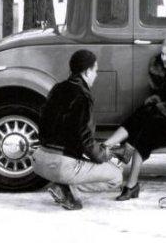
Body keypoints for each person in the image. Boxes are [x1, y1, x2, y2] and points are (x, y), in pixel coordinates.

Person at [104, 36, 166, 201]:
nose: (164, 58)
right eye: (163, 54)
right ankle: (108, 145)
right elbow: (157, 99)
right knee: (143, 112)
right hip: (165, 117)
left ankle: (131, 180)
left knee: (148, 130)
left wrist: (157, 107)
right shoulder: (159, 70)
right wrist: (156, 107)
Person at [32, 49, 123, 210]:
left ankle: (65, 188)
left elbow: (46, 126)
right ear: (87, 71)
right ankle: (69, 190)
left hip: (39, 161)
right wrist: (104, 155)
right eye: (95, 70)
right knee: (116, 176)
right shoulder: (83, 96)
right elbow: (85, 140)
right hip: (60, 166)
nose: (96, 75)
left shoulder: (57, 88)